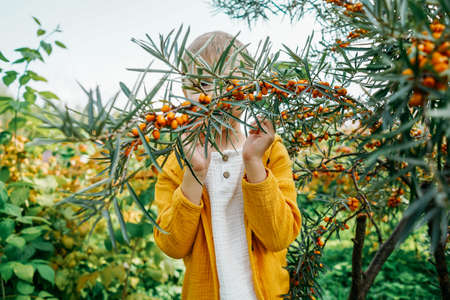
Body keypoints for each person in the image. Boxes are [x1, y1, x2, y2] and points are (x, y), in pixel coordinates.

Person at [153, 31, 302, 300]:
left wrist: (253, 163)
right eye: (198, 84)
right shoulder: (179, 160)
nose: (210, 94)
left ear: (246, 89)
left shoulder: (268, 150)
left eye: (223, 82)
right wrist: (195, 173)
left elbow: (279, 237)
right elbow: (171, 244)